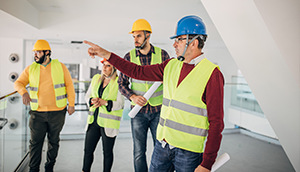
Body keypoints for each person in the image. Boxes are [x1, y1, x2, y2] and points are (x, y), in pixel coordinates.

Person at [84, 15, 224, 172]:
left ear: (194, 43)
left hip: (188, 151)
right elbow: (136, 71)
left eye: (179, 39)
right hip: (163, 145)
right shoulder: (171, 65)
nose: (174, 44)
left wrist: (207, 163)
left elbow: (216, 122)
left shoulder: (211, 73)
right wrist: (106, 54)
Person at [14, 39, 75, 172]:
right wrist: (23, 92)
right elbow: (18, 83)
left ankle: (49, 168)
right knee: (35, 144)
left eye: (38, 52)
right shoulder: (31, 68)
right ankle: (33, 169)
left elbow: (69, 85)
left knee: (53, 143)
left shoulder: (60, 66)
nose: (35, 55)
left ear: (47, 52)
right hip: (37, 113)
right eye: (34, 52)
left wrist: (71, 104)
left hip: (57, 112)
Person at [118, 19, 170, 172]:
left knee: (161, 150)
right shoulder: (128, 57)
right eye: (133, 36)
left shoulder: (163, 55)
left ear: (148, 36)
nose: (135, 40)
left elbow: (170, 82)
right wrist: (133, 97)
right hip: (138, 113)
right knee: (139, 152)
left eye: (139, 36)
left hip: (158, 112)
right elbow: (121, 84)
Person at [82, 58, 124, 172]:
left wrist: (105, 102)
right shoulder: (96, 78)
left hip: (108, 124)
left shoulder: (119, 81)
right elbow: (87, 96)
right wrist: (92, 100)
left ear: (114, 68)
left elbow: (120, 104)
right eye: (103, 65)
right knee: (87, 151)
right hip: (93, 121)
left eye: (108, 65)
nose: (104, 68)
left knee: (107, 152)